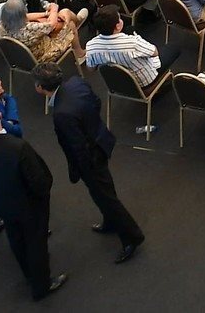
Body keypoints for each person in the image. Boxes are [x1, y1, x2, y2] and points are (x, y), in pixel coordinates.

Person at [39, 62, 144, 262]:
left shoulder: (61, 113)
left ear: (41, 87)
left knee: (106, 198)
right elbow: (96, 102)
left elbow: (77, 146)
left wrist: (81, 169)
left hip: (90, 159)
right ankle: (109, 221)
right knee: (104, 191)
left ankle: (131, 237)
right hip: (101, 141)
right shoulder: (77, 83)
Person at [0, 98, 67, 301]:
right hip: (28, 204)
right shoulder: (17, 147)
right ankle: (41, 286)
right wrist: (42, 196)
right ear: (0, 117)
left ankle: (28, 274)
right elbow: (40, 180)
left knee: (16, 238)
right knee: (36, 243)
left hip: (0, 201)